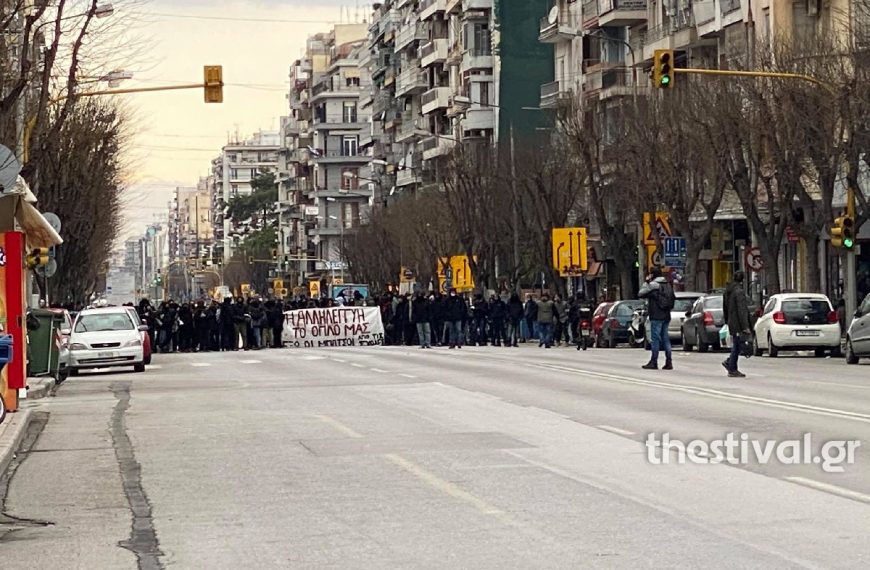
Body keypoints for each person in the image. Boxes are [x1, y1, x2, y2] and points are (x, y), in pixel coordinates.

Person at [639, 267, 676, 370]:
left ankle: (654, 361)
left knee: (655, 338)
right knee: (665, 338)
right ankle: (669, 362)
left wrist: (646, 281)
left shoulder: (653, 285)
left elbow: (641, 293)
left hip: (656, 315)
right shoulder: (668, 284)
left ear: (652, 274)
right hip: (666, 314)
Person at [722, 271, 752, 378]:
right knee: (737, 346)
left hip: (732, 321)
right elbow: (742, 310)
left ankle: (730, 362)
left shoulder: (728, 291)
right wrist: (745, 326)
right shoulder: (739, 292)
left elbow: (725, 307)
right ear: (742, 280)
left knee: (737, 344)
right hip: (739, 322)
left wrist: (727, 320)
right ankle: (732, 368)